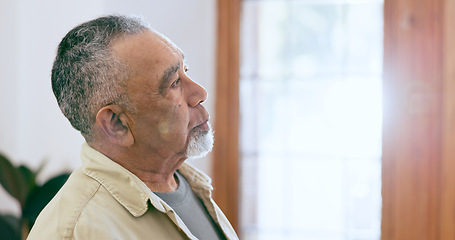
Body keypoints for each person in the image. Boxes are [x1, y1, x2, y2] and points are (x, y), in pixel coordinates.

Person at [27, 15, 238, 240]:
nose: (200, 93)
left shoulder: (185, 182)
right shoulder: (77, 232)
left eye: (185, 70)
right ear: (117, 125)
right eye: (174, 83)